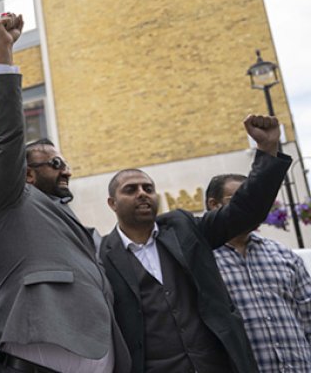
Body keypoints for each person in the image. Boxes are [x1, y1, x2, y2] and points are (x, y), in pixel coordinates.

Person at [0, 12, 129, 373]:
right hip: (36, 354)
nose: (67, 170)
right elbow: (8, 137)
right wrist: (5, 52)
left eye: (64, 164)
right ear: (26, 174)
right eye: (56, 163)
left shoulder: (63, 212)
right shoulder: (10, 197)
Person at [99, 115, 291, 373]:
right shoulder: (102, 256)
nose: (142, 193)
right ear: (112, 203)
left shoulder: (184, 227)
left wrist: (268, 150)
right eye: (131, 190)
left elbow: (245, 210)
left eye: (148, 188)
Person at [209, 173, 311, 373]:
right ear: (214, 205)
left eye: (255, 199)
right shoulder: (201, 261)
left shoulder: (283, 255)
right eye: (241, 199)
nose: (252, 207)